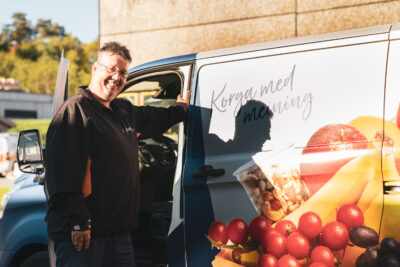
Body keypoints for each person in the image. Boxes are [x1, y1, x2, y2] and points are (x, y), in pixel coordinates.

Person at [44, 41, 189, 266]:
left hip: (119, 236)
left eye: (122, 72)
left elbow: (153, 118)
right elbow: (61, 175)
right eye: (111, 69)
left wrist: (179, 111)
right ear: (95, 68)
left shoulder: (123, 111)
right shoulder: (75, 112)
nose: (117, 77)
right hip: (87, 237)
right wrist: (78, 222)